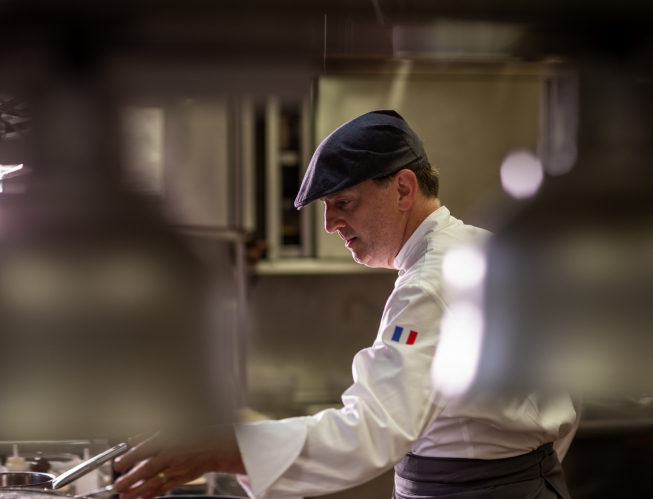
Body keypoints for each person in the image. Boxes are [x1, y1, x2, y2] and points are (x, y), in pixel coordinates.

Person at [113, 110, 579, 499]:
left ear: (402, 188)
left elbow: (372, 430)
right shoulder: (487, 251)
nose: (332, 224)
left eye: (344, 202)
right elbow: (563, 397)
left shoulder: (430, 284)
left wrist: (226, 447)